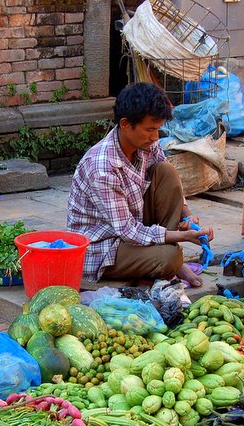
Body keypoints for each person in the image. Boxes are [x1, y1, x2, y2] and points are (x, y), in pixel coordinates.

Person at [67, 82, 213, 288]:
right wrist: (184, 236)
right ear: (126, 124)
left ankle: (164, 257)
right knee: (170, 257)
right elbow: (127, 230)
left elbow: (171, 187)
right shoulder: (102, 166)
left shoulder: (147, 145)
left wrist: (187, 217)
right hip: (104, 248)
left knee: (166, 172)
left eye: (158, 129)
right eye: (150, 129)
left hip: (135, 228)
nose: (155, 137)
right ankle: (167, 260)